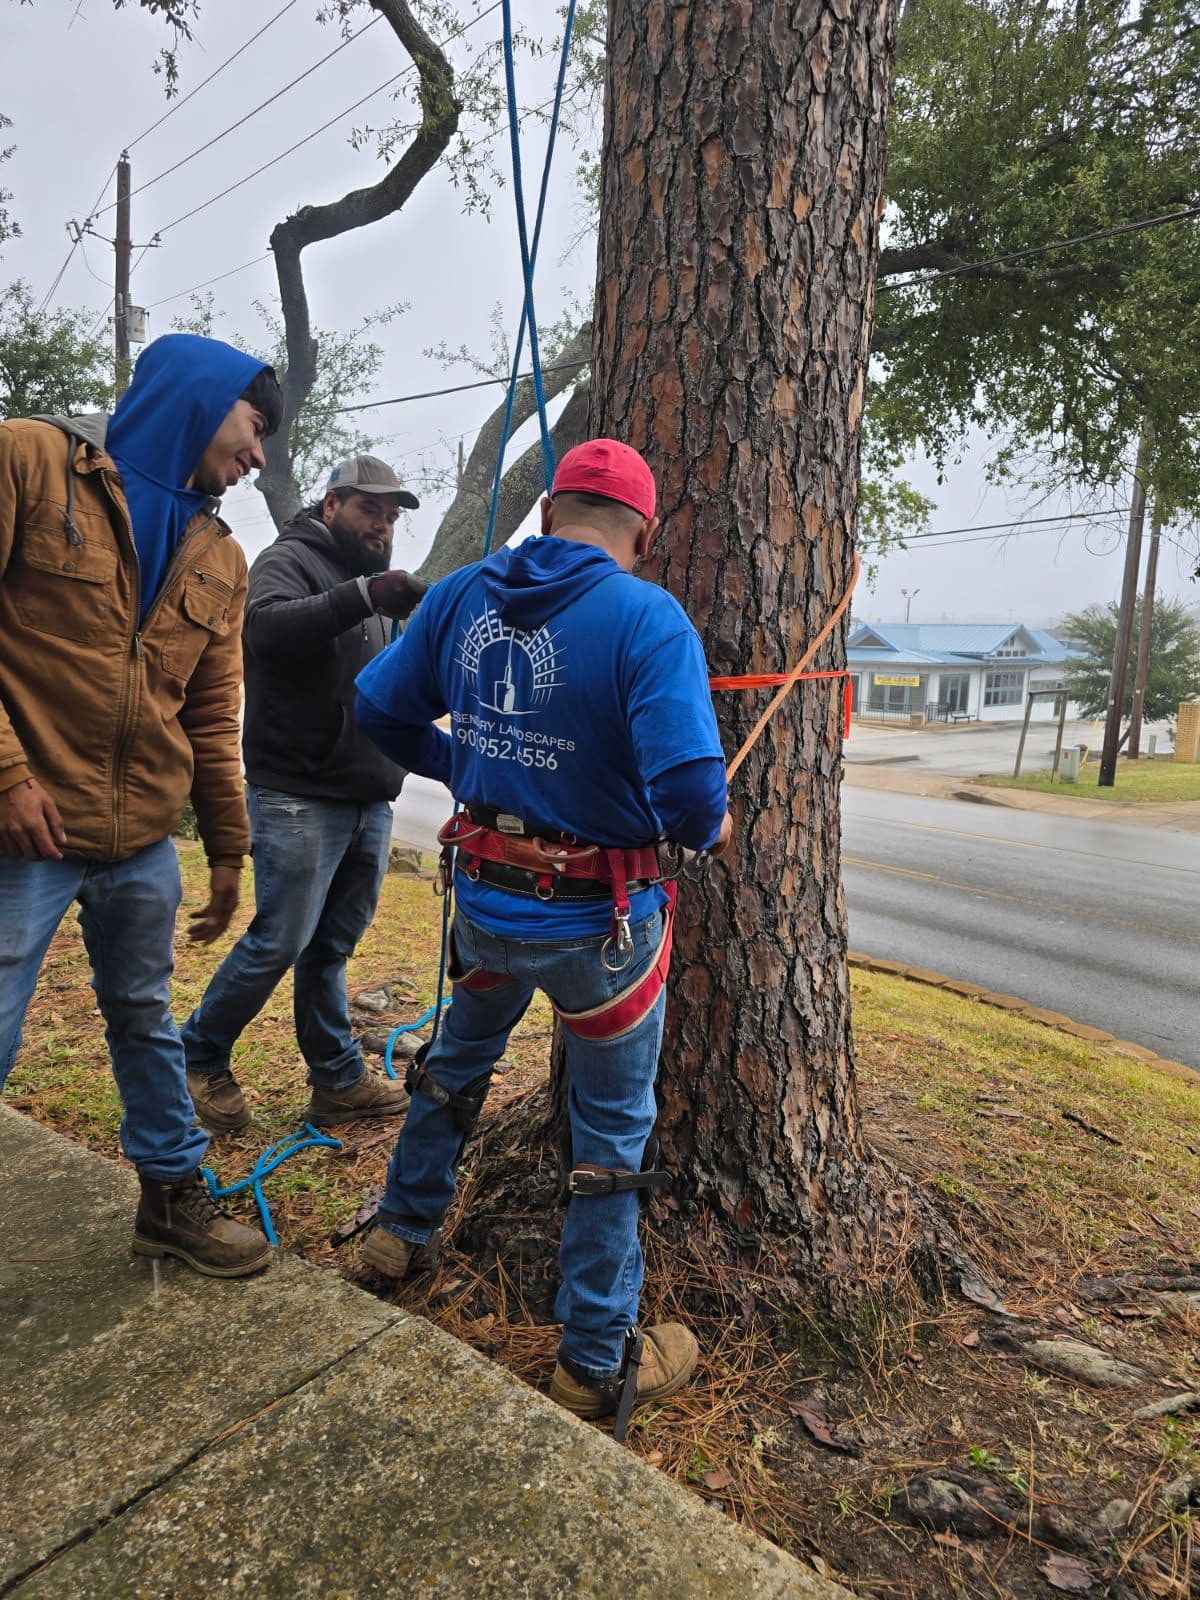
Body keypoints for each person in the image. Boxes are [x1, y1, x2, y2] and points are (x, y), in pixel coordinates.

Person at [354, 438, 731, 1434]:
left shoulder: (461, 594)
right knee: (610, 1140)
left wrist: (467, 764)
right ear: (642, 535)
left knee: (454, 1065)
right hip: (598, 928)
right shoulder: (647, 617)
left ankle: (399, 1236)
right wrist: (707, 825)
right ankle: (593, 1359)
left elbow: (375, 709)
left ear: (550, 509)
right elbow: (692, 790)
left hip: (485, 906)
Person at [0, 332, 282, 1277]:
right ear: (202, 398)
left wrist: (230, 850)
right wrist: (5, 775)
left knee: (145, 1018)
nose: (260, 454)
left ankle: (170, 1198)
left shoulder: (224, 553)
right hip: (22, 828)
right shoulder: (30, 459)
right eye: (254, 426)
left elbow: (211, 709)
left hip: (142, 840)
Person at [182, 456, 427, 1134]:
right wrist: (369, 596)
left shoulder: (375, 591)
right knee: (280, 939)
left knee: (331, 947)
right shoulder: (289, 560)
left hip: (366, 793)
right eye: (368, 509)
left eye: (390, 515)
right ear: (331, 506)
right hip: (297, 789)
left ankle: (338, 1079)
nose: (381, 524)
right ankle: (195, 1057)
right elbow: (263, 631)